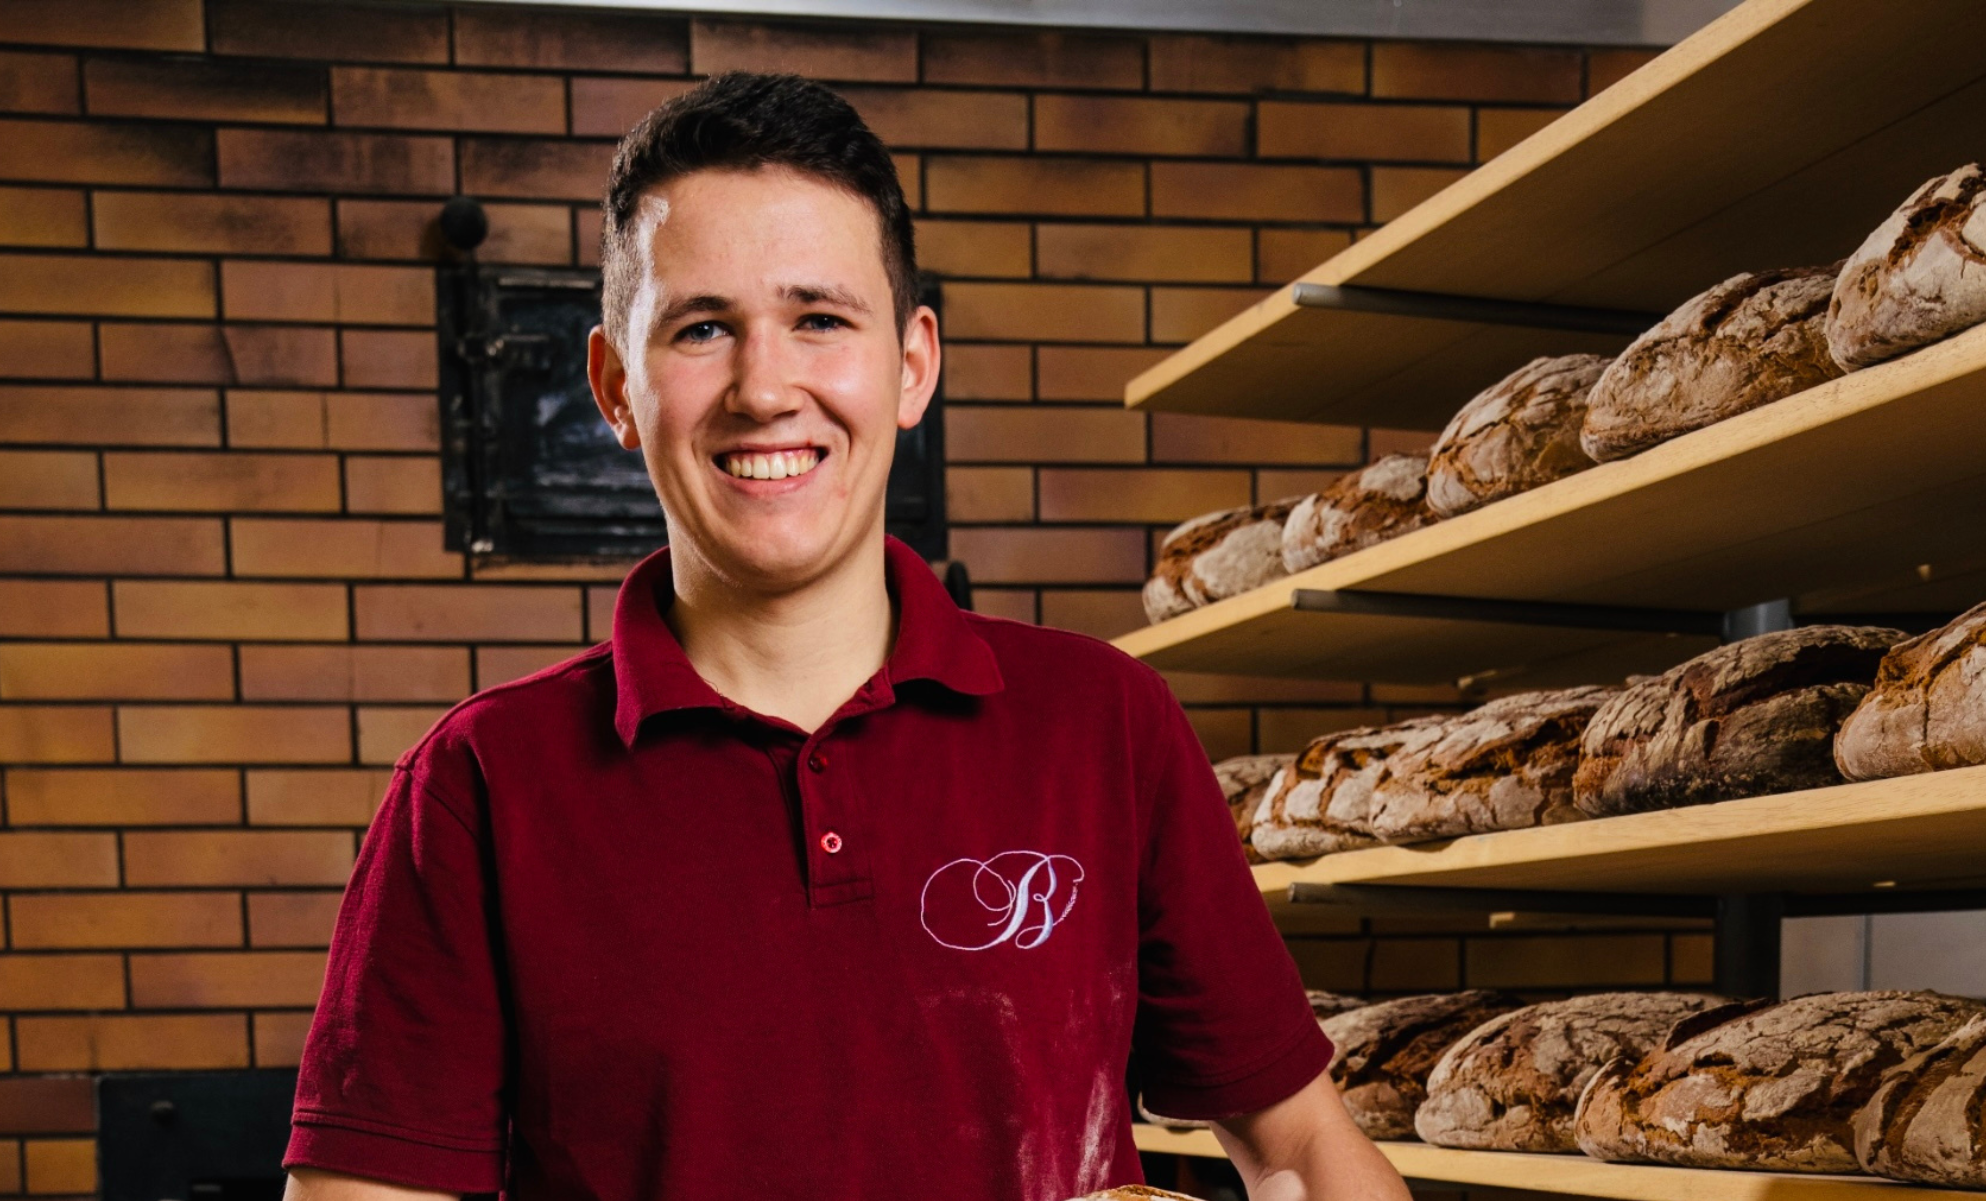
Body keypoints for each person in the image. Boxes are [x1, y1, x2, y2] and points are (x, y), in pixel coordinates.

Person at [279, 72, 1410, 1201]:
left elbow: (1303, 1151)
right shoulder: (479, 785)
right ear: (616, 388)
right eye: (702, 327)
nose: (765, 388)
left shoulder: (1103, 723)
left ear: (911, 364)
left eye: (818, 320)